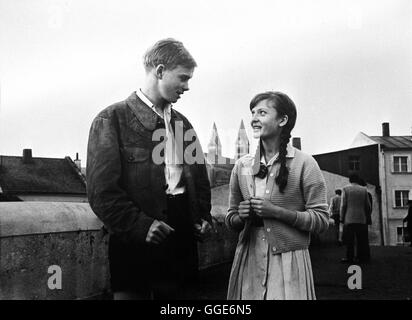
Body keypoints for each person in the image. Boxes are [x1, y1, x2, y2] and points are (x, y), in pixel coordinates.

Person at [86, 38, 212, 300]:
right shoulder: (111, 120)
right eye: (183, 78)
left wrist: (203, 218)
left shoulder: (183, 125)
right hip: (134, 244)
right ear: (160, 71)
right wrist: (140, 225)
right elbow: (101, 193)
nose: (187, 87)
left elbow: (199, 180)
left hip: (181, 242)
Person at [225, 91, 329, 300]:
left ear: (283, 120)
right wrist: (239, 216)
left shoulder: (305, 163)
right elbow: (230, 218)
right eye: (252, 112)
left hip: (289, 261)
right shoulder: (242, 165)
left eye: (262, 112)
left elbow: (321, 220)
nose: (254, 118)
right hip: (249, 258)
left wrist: (277, 212)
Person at [340, 174, 371, 264]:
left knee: (350, 241)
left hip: (349, 218)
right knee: (361, 240)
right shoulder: (364, 190)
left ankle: (350, 258)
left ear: (350, 180)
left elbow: (343, 205)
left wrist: (342, 217)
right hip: (361, 218)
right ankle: (361, 257)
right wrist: (367, 217)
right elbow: (367, 206)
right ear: (358, 180)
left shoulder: (345, 189)